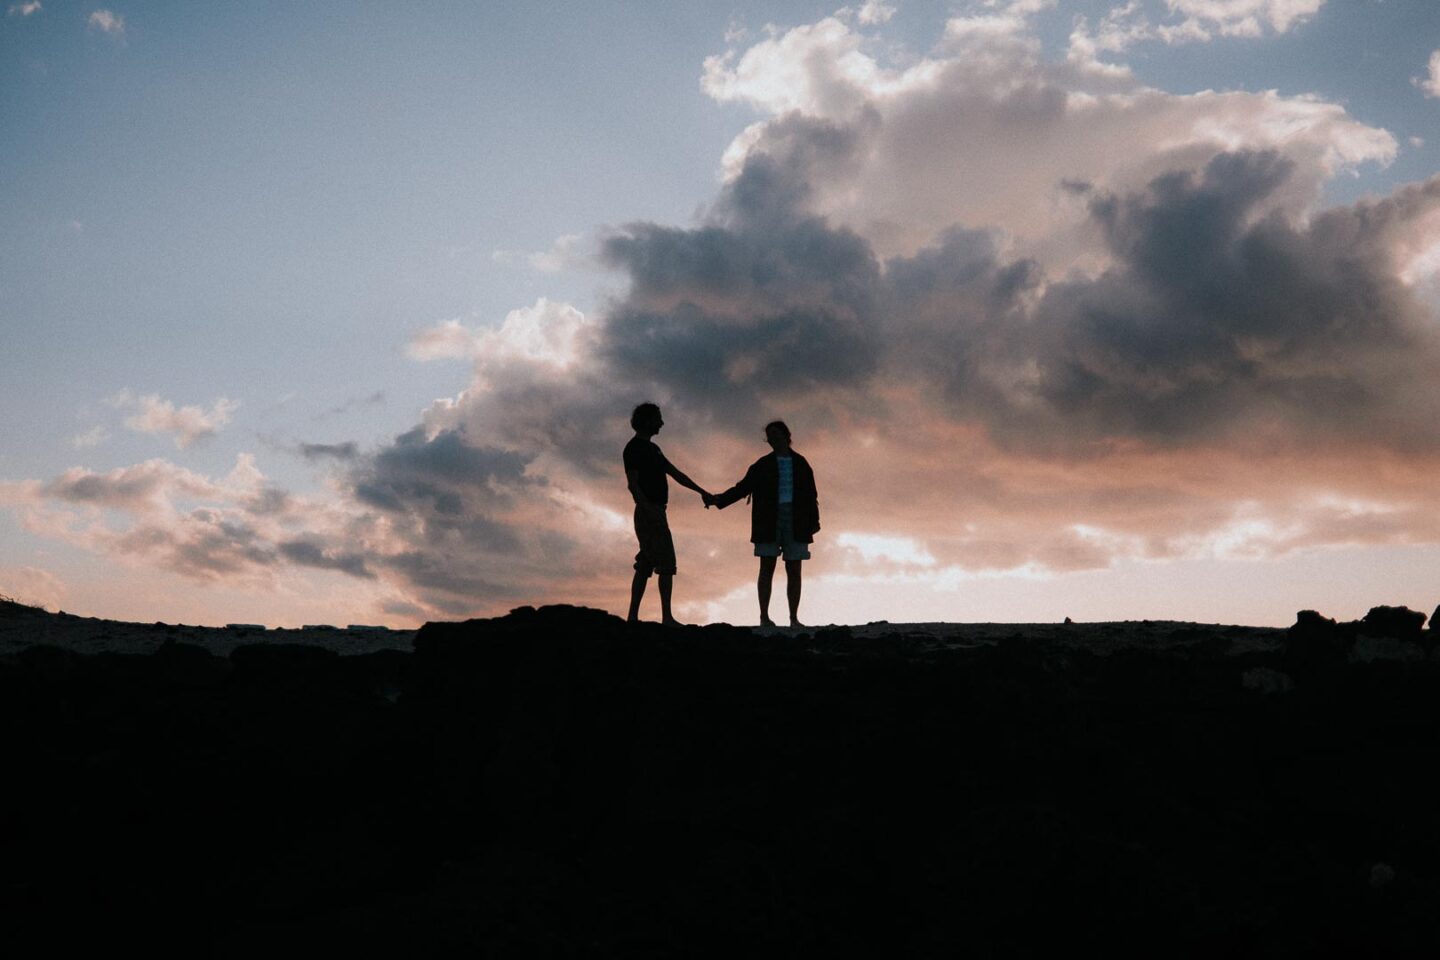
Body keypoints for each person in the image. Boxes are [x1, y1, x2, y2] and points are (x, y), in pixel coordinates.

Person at [707, 420, 819, 628]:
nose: (772, 439)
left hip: (797, 520)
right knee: (767, 567)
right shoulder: (761, 465)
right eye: (769, 436)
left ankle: (794, 618)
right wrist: (718, 500)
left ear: (787, 435)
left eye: (776, 434)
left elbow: (812, 495)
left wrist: (814, 522)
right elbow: (742, 489)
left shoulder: (801, 463)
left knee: (794, 569)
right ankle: (764, 617)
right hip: (768, 520)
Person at [624, 402, 711, 626]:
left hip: (655, 510)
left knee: (645, 561)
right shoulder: (633, 448)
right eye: (658, 418)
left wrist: (702, 491)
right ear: (647, 420)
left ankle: (634, 617)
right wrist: (647, 509)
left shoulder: (654, 449)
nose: (662, 423)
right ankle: (666, 617)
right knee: (666, 563)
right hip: (649, 510)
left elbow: (676, 474)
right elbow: (633, 484)